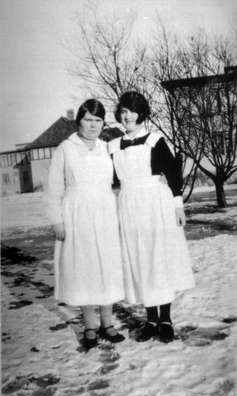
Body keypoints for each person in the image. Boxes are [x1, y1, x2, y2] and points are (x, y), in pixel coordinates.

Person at [109, 91, 195, 343]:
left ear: (142, 113)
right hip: (129, 206)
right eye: (123, 112)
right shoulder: (113, 146)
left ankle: (165, 318)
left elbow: (173, 174)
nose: (128, 116)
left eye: (132, 111)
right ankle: (150, 319)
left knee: (159, 259)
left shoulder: (156, 140)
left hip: (157, 205)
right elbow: (110, 181)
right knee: (140, 260)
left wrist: (178, 206)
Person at [47, 99, 125, 350]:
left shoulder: (107, 147)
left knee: (106, 266)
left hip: (104, 213)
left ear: (104, 123)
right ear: (79, 120)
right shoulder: (65, 149)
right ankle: (90, 326)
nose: (93, 125)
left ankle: (107, 322)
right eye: (88, 119)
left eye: (98, 120)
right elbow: (53, 189)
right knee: (85, 267)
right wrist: (57, 220)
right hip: (76, 214)